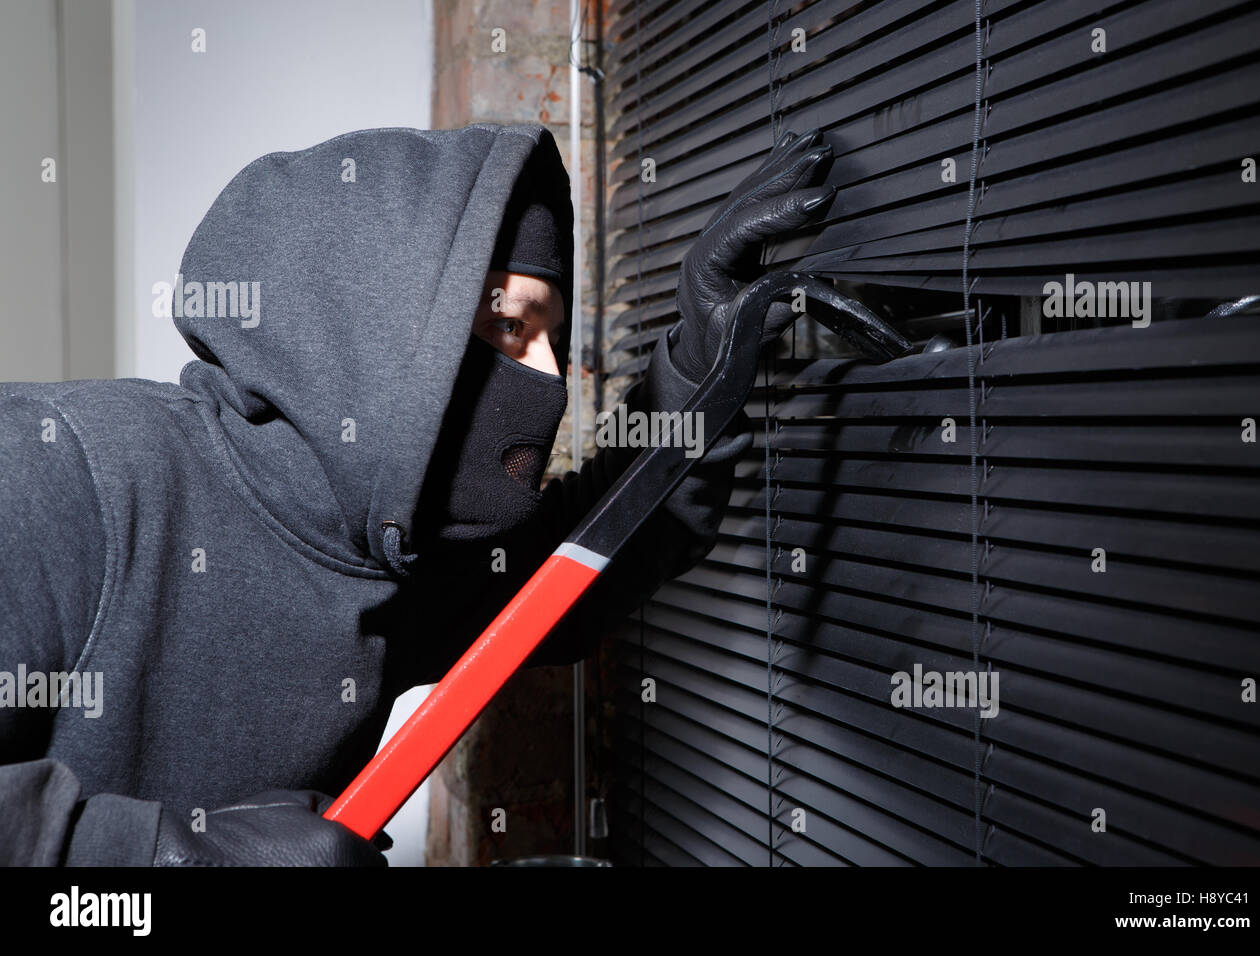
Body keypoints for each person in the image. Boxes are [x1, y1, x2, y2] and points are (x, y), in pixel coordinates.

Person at [0, 123, 835, 865]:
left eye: (550, 338)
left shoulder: (394, 552)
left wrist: (702, 357)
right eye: (510, 327)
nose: (549, 382)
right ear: (379, 331)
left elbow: (577, 569)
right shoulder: (62, 472)